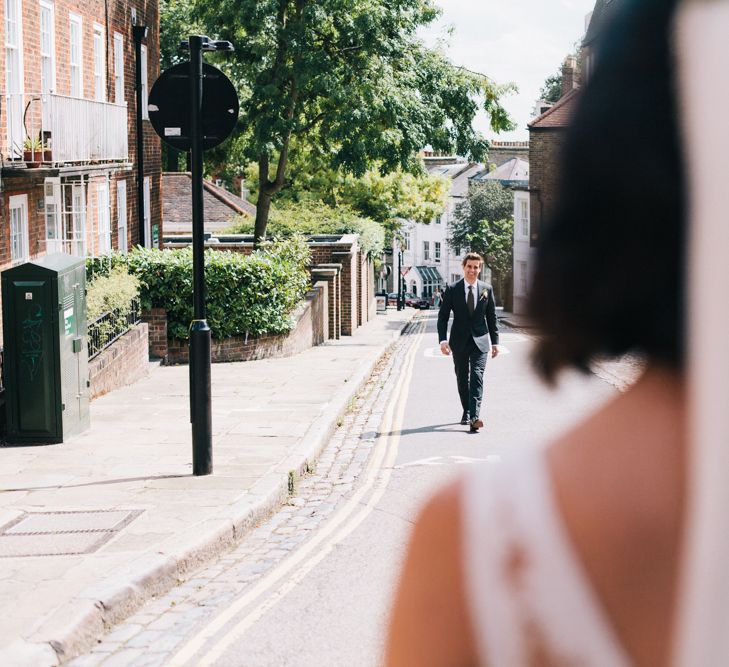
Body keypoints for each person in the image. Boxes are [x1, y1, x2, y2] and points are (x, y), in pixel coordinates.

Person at [386, 0, 697, 664]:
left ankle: (471, 409)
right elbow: (450, 315)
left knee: (474, 382)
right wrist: (451, 335)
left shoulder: (479, 541)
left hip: (484, 359)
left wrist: (490, 338)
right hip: (463, 344)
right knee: (469, 387)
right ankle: (470, 411)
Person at [437, 253, 499, 433]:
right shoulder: (453, 289)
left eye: (476, 267)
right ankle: (467, 409)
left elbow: (491, 317)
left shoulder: (487, 289)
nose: (473, 270)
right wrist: (443, 340)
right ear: (463, 267)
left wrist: (495, 342)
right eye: (469, 267)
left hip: (480, 341)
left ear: (480, 269)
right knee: (462, 377)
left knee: (477, 376)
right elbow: (443, 318)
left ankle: (474, 417)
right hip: (459, 341)